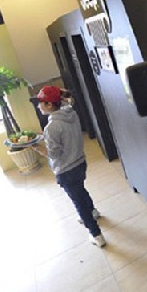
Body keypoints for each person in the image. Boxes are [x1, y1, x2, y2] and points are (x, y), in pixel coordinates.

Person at [31, 86, 106, 247]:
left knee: (78, 202)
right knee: (81, 189)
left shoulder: (51, 128)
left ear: (50, 105)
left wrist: (39, 148)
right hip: (80, 162)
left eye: (41, 103)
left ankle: (96, 235)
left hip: (66, 171)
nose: (39, 106)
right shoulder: (71, 113)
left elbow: (55, 154)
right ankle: (93, 211)